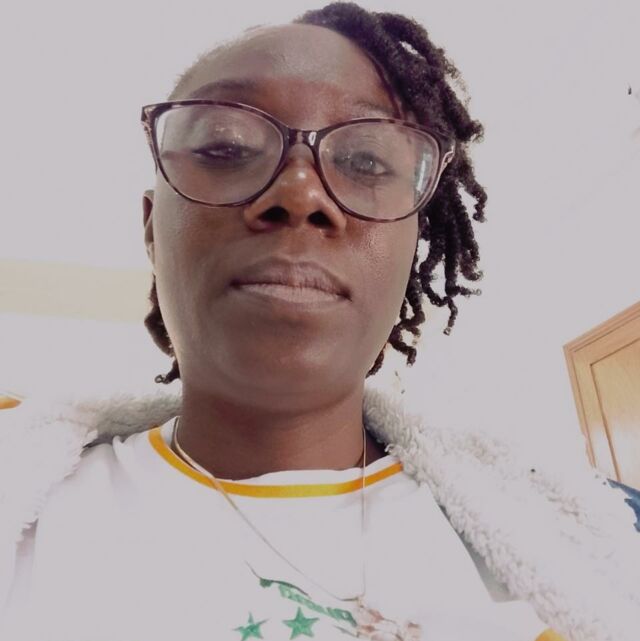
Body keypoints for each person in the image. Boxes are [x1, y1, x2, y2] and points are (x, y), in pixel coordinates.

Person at [1, 3, 638, 640]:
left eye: (366, 162)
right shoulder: (28, 508)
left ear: (412, 243)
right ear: (151, 227)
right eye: (226, 147)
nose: (300, 194)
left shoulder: (604, 541)